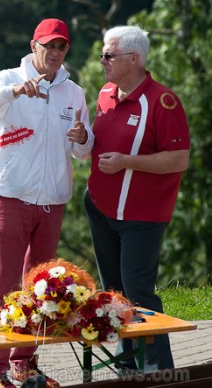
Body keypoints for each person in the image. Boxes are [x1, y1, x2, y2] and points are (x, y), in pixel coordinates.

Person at [0, 18, 92, 388]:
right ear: (33, 46)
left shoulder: (74, 93)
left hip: (52, 204)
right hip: (10, 198)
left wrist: (83, 136)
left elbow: (83, 153)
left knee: (40, 291)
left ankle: (24, 363)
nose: (55, 53)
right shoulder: (7, 77)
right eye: (48, 46)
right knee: (4, 288)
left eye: (61, 47)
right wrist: (13, 93)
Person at [84, 25, 190, 373]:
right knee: (114, 294)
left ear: (134, 58)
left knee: (138, 293)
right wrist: (82, 137)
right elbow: (98, 142)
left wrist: (127, 162)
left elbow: (179, 160)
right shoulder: (104, 93)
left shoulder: (162, 101)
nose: (102, 61)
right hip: (101, 209)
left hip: (142, 217)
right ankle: (127, 367)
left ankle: (159, 370)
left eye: (109, 55)